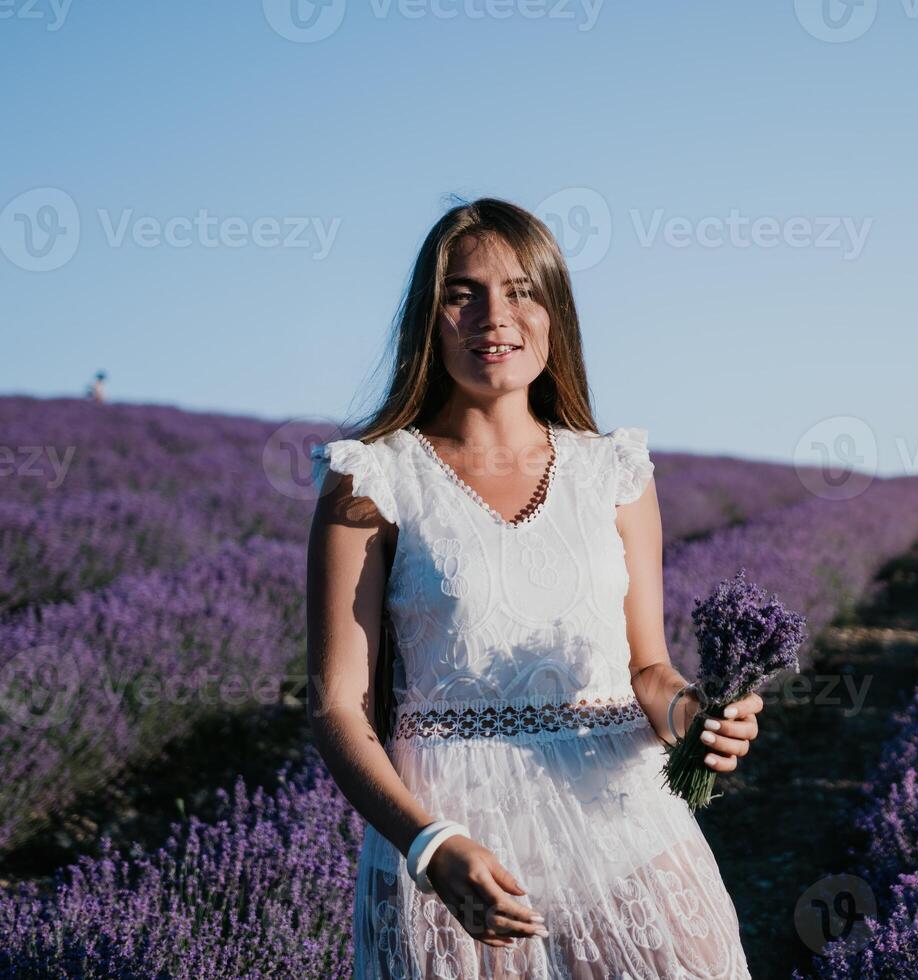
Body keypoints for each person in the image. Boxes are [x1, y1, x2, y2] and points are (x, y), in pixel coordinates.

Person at [305, 197, 760, 979]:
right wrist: (429, 847)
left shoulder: (613, 471)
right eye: (463, 292)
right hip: (460, 855)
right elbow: (335, 705)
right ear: (429, 317)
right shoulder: (373, 479)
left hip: (626, 832)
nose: (494, 315)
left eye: (521, 290)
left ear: (555, 313)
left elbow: (647, 671)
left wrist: (697, 721)